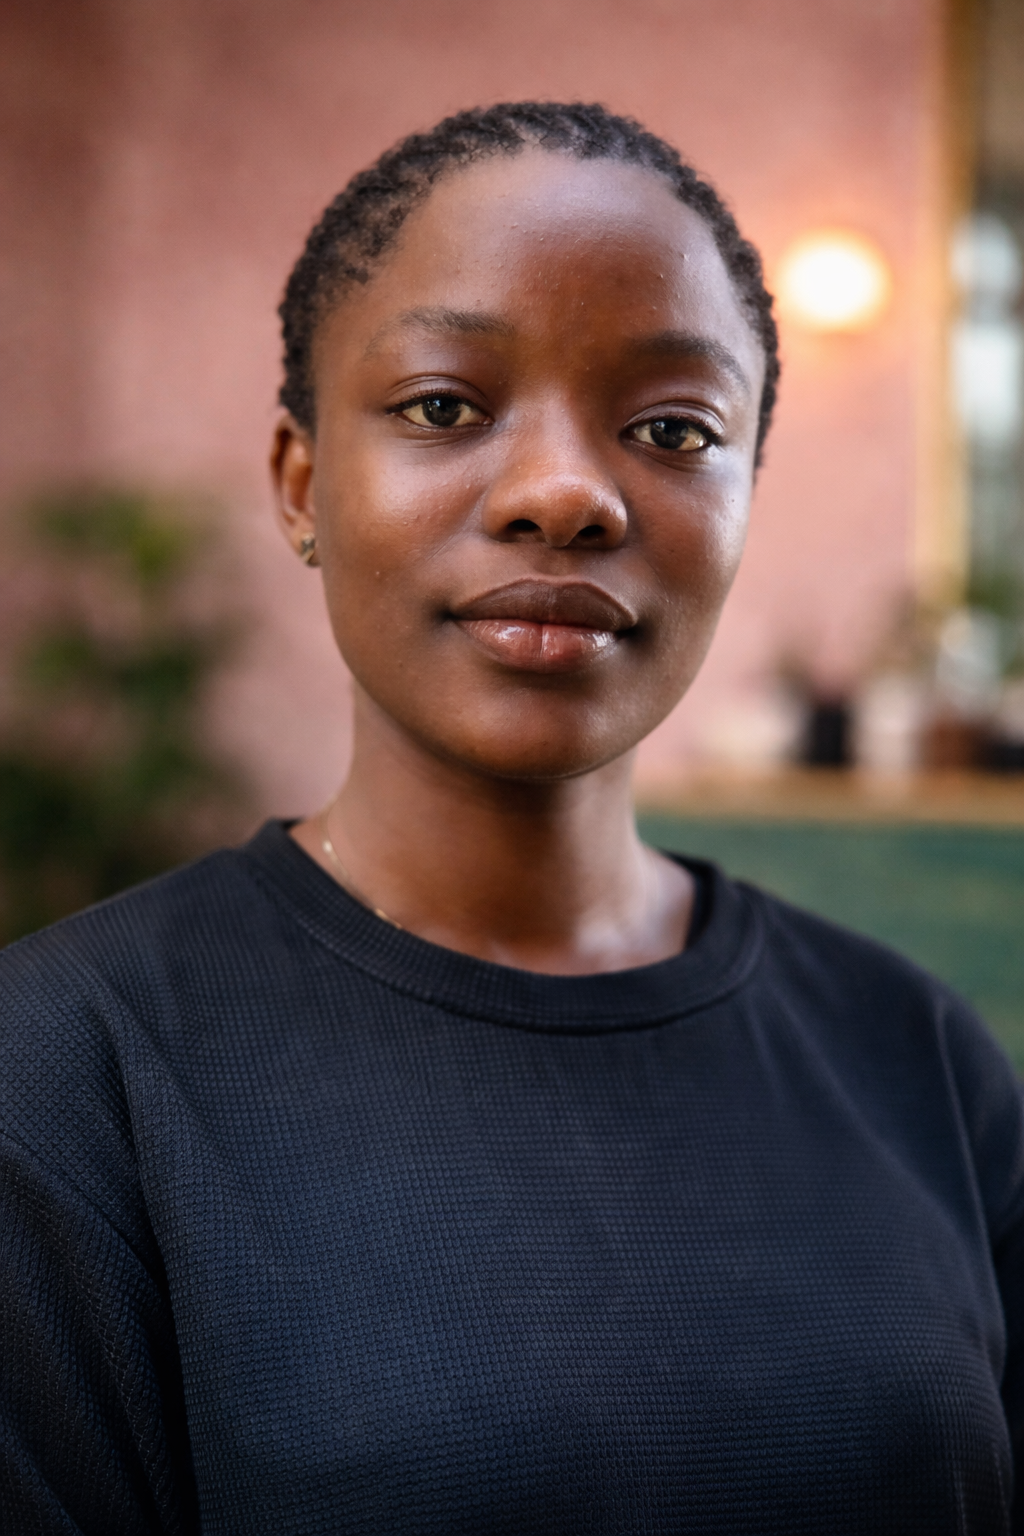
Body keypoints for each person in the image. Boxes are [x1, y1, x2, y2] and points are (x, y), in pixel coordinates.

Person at [1, 101, 1022, 1536]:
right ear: (302, 483)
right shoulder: (65, 1079)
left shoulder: (919, 1061)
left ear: (743, 498)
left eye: (673, 428)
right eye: (443, 407)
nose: (564, 495)